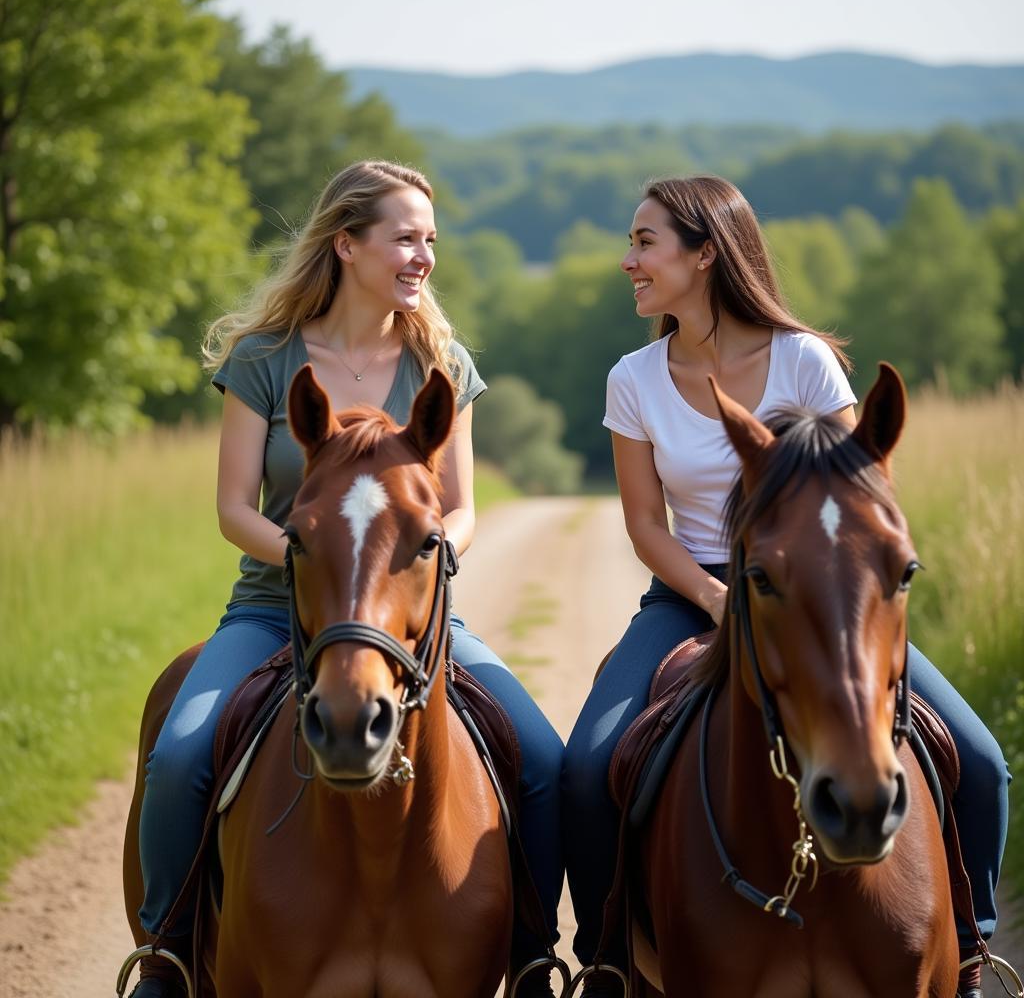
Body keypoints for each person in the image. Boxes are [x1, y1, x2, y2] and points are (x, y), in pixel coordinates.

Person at [561, 174, 1010, 997]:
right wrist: (712, 596)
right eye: (632, 244)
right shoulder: (634, 378)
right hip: (691, 596)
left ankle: (974, 953)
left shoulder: (802, 359)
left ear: (705, 254)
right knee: (588, 769)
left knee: (978, 762)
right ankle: (606, 965)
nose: (628, 261)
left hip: (822, 596)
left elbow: (860, 499)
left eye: (644, 242)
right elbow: (645, 526)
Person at [131, 160, 565, 998]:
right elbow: (233, 509)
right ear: (347, 244)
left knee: (544, 760)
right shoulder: (266, 361)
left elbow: (462, 509)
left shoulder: (441, 362)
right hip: (274, 609)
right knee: (180, 756)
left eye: (430, 240)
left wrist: (409, 570)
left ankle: (538, 955)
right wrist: (318, 562)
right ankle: (167, 957)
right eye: (405, 238)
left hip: (409, 617)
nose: (422, 257)